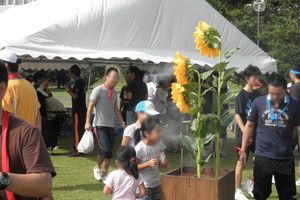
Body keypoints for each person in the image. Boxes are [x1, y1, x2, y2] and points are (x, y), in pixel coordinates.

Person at [0, 63, 56, 200]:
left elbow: (44, 185)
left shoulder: (26, 132)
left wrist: (3, 179)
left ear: (1, 89)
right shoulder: (29, 86)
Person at [240, 74, 300, 200]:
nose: (274, 97)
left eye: (278, 94)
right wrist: (243, 150)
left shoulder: (295, 105)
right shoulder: (259, 102)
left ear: (285, 90)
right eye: (271, 93)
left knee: (288, 196)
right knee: (260, 196)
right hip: (263, 157)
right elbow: (249, 125)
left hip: (285, 158)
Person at [85, 67, 126, 181]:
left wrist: (122, 122)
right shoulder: (98, 90)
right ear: (107, 77)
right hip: (99, 125)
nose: (116, 79)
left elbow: (116, 109)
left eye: (117, 77)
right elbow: (90, 106)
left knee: (110, 152)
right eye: (114, 77)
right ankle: (97, 167)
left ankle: (104, 174)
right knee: (105, 150)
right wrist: (88, 122)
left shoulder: (114, 93)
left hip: (111, 126)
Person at [234, 65, 261, 200]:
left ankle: (250, 182)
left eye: (258, 77)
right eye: (255, 77)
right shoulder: (241, 95)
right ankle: (237, 190)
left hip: (256, 134)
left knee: (260, 160)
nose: (257, 79)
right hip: (242, 135)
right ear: (247, 78)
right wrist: (245, 130)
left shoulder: (257, 94)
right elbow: (237, 115)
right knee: (241, 162)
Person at [0, 50, 41, 131]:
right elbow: (38, 115)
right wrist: (38, 135)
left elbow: (8, 116)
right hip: (30, 135)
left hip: (15, 137)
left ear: (6, 65)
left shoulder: (7, 87)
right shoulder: (29, 85)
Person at [135, 117, 168, 200]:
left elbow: (162, 157)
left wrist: (164, 162)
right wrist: (147, 164)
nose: (160, 133)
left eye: (161, 131)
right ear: (147, 133)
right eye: (157, 131)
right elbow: (133, 167)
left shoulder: (159, 144)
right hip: (144, 186)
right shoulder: (140, 148)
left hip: (156, 184)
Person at [64, 65, 87, 157]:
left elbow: (75, 96)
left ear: (73, 73)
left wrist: (67, 89)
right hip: (79, 109)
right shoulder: (79, 82)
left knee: (77, 130)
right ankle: (76, 147)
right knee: (77, 129)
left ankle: (78, 150)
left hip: (78, 109)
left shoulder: (79, 82)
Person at [288, 63, 300, 186]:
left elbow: (295, 106)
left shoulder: (295, 88)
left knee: (287, 151)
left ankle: (286, 175)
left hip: (296, 126)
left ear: (293, 74)